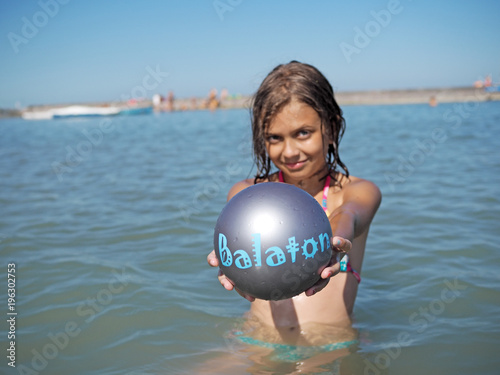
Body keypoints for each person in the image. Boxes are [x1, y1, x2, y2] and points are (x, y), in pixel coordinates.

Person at [206, 61, 381, 360]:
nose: (289, 152)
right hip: (258, 339)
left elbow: (346, 217)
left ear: (332, 127)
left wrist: (334, 245)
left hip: (328, 346)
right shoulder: (247, 194)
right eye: (275, 137)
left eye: (303, 133)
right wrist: (226, 260)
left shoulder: (357, 192)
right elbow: (234, 239)